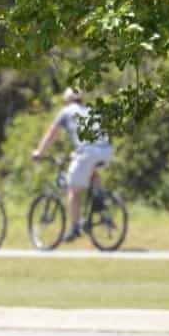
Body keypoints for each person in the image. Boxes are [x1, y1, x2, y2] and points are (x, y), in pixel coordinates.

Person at [31, 87, 113, 242]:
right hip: (106, 151)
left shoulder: (66, 112)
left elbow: (51, 134)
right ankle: (99, 203)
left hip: (88, 152)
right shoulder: (90, 110)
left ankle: (74, 227)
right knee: (93, 173)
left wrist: (39, 153)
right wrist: (77, 153)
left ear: (67, 100)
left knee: (73, 190)